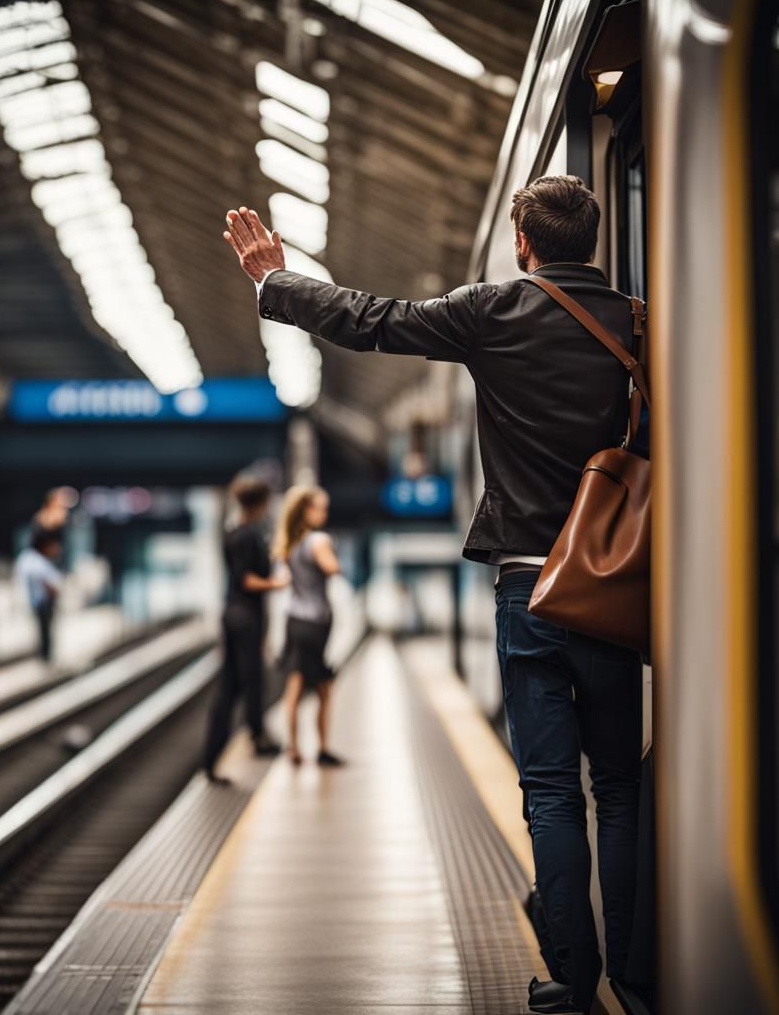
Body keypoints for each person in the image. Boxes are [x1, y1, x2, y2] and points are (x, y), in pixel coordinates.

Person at [222, 176, 643, 1014]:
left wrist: (275, 282)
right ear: (591, 240)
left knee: (552, 790)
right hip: (615, 586)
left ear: (524, 242)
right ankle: (636, 968)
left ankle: (572, 975)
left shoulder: (497, 311)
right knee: (620, 789)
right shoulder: (635, 322)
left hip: (530, 590)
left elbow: (376, 320)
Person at [203, 475, 288, 785]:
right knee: (241, 684)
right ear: (262, 503)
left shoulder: (235, 533)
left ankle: (222, 752)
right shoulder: (246, 536)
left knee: (238, 685)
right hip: (244, 617)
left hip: (237, 616)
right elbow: (246, 579)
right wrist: (277, 583)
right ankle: (249, 738)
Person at [272, 485, 343, 768]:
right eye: (320, 508)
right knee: (323, 688)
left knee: (295, 686)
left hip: (294, 619)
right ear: (306, 510)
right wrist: (331, 558)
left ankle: (293, 746)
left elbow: (285, 579)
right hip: (315, 623)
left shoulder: (287, 543)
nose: (324, 513)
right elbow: (332, 568)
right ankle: (322, 748)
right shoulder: (318, 540)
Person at [16, 531, 63, 663]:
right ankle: (44, 657)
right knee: (44, 632)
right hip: (40, 602)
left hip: (37, 601)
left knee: (43, 631)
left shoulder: (28, 559)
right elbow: (48, 583)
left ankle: (44, 656)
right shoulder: (35, 560)